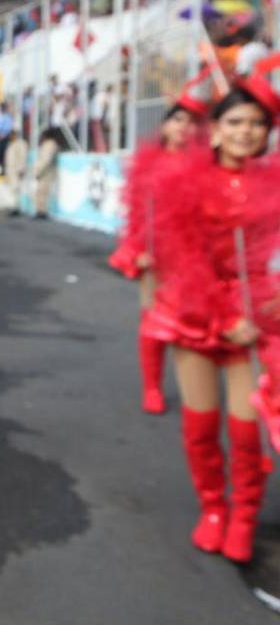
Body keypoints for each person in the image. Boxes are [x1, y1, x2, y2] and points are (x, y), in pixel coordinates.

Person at [144, 76, 280, 564]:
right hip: (198, 314)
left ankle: (244, 514)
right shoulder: (186, 181)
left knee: (247, 429)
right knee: (201, 425)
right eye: (236, 121)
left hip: (258, 319)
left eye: (258, 123)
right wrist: (223, 316)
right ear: (216, 130)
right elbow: (182, 256)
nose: (247, 131)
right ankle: (213, 509)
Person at [108, 88, 209, 414]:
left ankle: (194, 385)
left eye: (193, 122)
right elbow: (136, 212)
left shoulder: (206, 163)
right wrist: (137, 248)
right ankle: (152, 385)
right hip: (156, 256)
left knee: (192, 322)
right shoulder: (148, 164)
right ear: (165, 125)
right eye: (178, 119)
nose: (184, 127)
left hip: (196, 256)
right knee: (152, 319)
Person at [33, 127, 62, 219]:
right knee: (40, 192)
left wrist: (38, 171)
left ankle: (42, 212)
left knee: (42, 192)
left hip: (46, 173)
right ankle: (40, 211)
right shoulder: (48, 144)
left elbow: (46, 160)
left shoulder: (50, 145)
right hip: (44, 172)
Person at [3, 130, 29, 216]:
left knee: (16, 189)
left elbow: (23, 157)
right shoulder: (11, 144)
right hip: (11, 171)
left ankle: (16, 208)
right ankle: (14, 207)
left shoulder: (21, 144)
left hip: (17, 171)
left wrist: (21, 169)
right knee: (13, 189)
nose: (10, 137)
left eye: (11, 135)